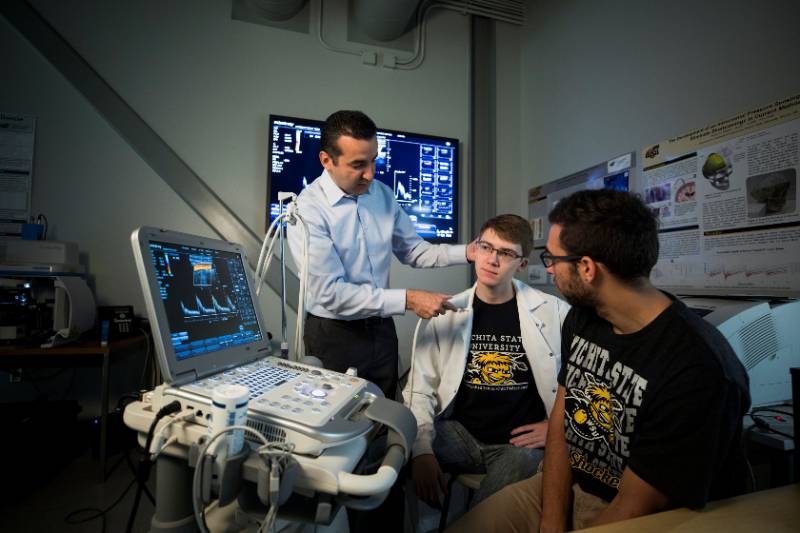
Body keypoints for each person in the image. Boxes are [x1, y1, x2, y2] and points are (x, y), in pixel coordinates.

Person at [449, 189, 750, 532]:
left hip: (648, 514)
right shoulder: (583, 319)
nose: (549, 272)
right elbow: (563, 426)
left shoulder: (697, 371)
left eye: (553, 260)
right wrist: (551, 520)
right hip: (573, 487)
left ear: (587, 268)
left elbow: (641, 504)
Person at [286, 110, 476, 400]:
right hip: (334, 335)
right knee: (337, 424)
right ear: (327, 160)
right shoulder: (307, 210)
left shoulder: (382, 195)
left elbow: (414, 251)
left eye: (374, 160)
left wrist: (470, 252)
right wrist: (410, 299)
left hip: (381, 327)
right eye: (358, 165)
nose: (370, 174)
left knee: (385, 415)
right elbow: (330, 294)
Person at [403, 214, 570, 515]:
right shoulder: (447, 313)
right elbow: (420, 390)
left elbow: (586, 385)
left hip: (518, 445)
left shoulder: (555, 313)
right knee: (389, 448)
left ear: (521, 264)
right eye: (486, 247)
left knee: (525, 463)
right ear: (475, 250)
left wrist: (556, 429)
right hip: (458, 435)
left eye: (505, 253)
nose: (492, 259)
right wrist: (422, 451)